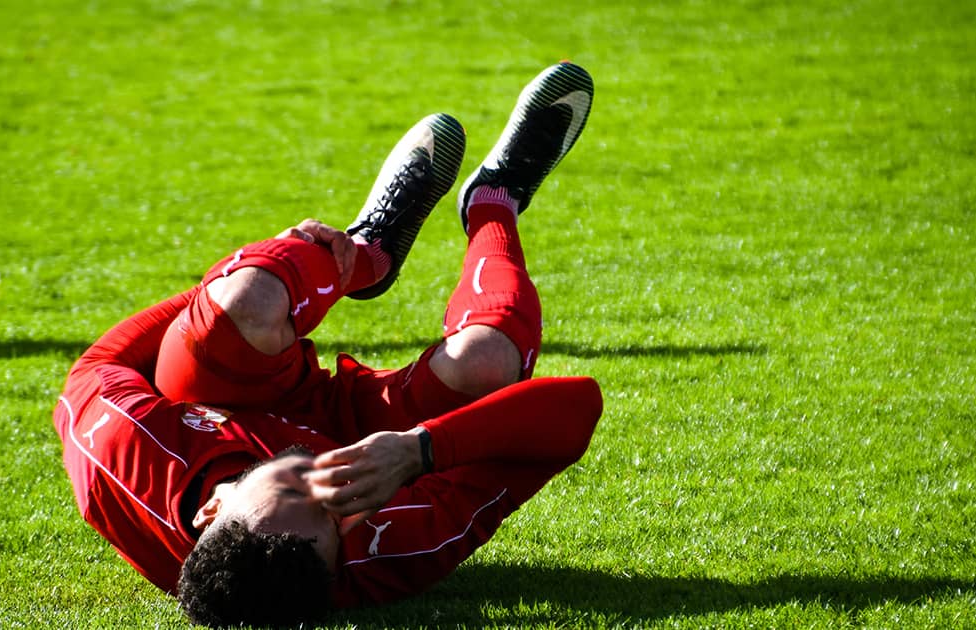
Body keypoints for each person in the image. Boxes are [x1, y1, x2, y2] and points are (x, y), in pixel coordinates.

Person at [52, 62, 601, 627]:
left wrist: (253, 278)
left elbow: (95, 367)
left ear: (212, 510)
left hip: (214, 396)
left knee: (245, 303)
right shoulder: (392, 546)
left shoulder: (125, 458)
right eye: (334, 510)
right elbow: (576, 406)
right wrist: (419, 450)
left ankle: (365, 255)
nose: (324, 476)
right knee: (487, 361)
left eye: (294, 488)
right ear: (340, 558)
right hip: (365, 430)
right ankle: (495, 198)